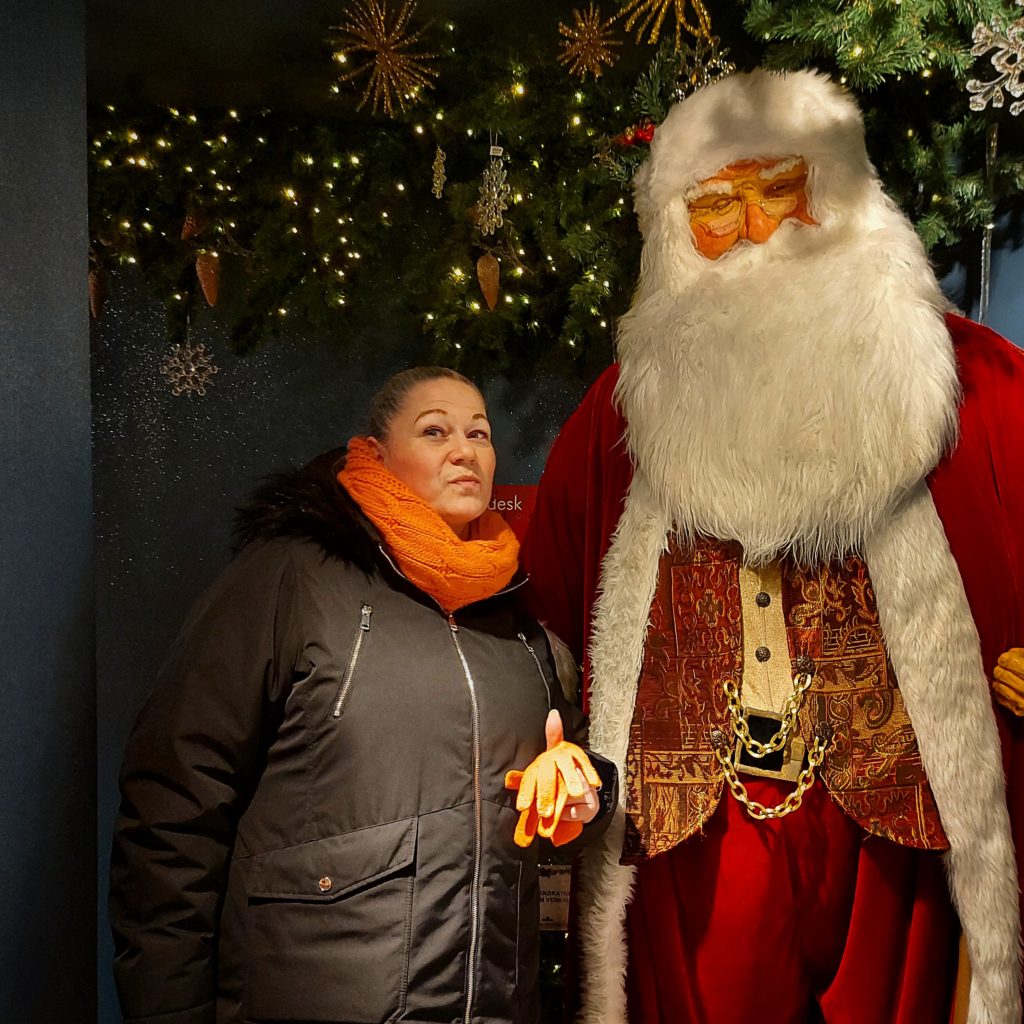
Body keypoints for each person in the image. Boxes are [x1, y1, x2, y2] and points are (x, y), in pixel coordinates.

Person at [523, 70, 1024, 1024]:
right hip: (697, 832)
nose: (755, 229)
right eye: (716, 207)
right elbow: (543, 618)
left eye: (780, 188)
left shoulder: (978, 387)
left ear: (838, 192)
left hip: (894, 821)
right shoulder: (619, 416)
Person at [109, 366, 616, 1024]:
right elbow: (173, 807)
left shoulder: (512, 618)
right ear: (375, 453)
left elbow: (571, 759)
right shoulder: (292, 579)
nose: (464, 451)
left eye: (479, 434)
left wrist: (584, 787)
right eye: (434, 431)